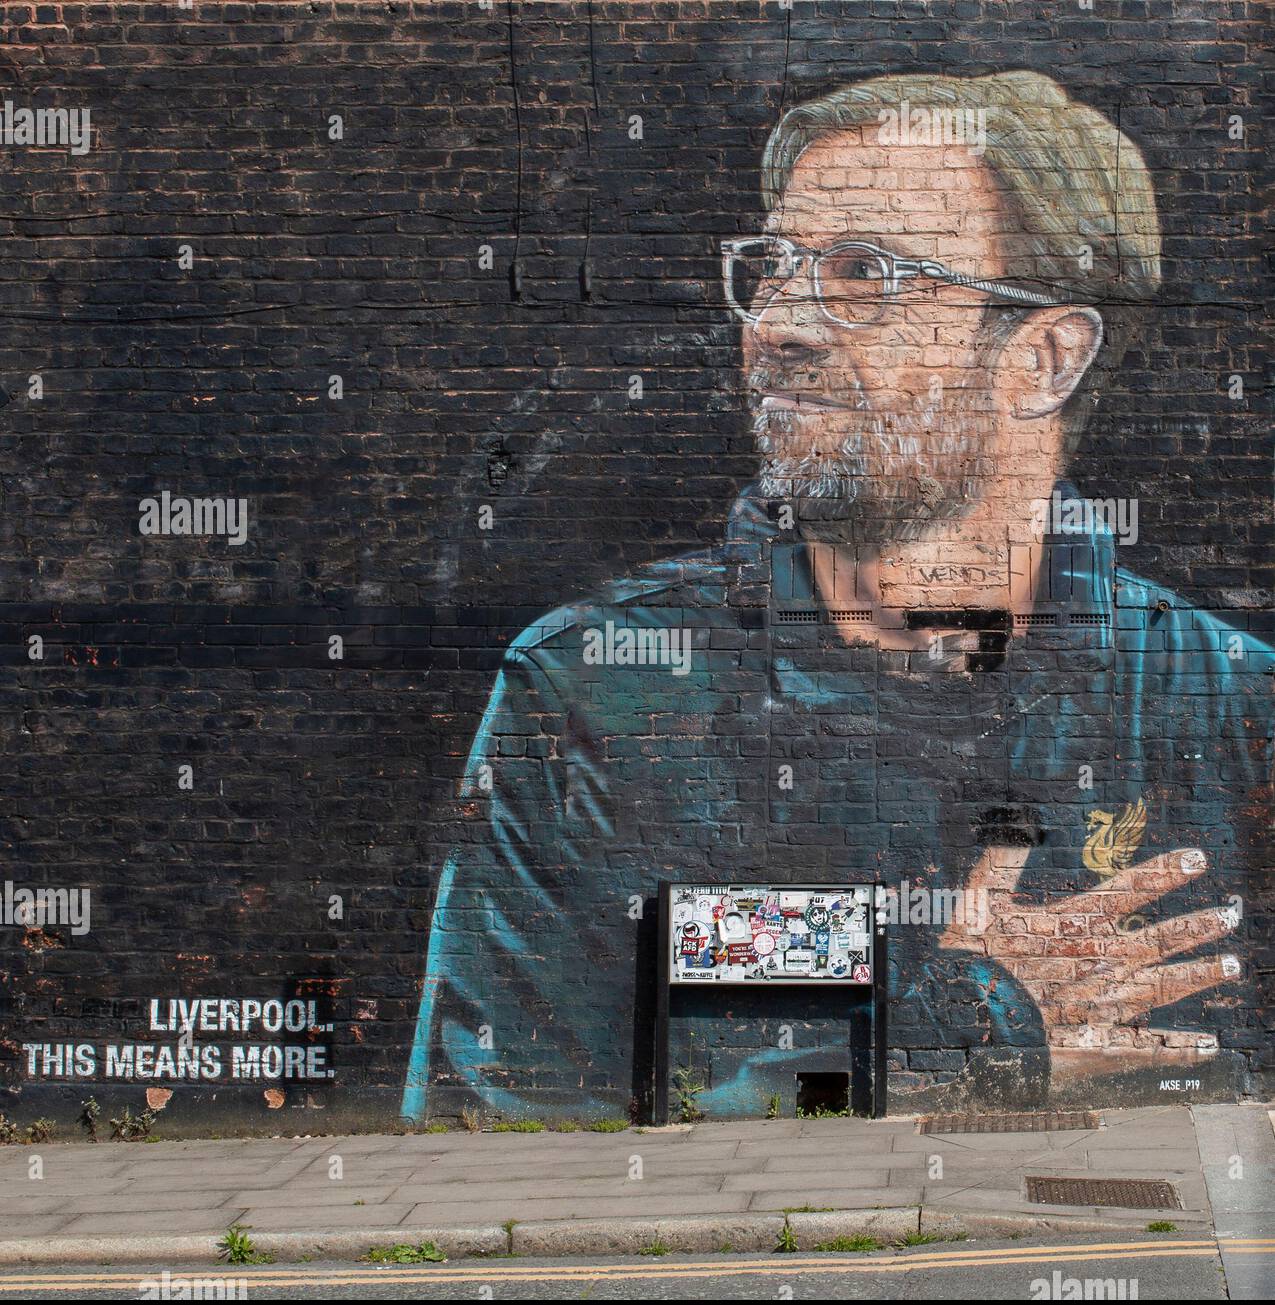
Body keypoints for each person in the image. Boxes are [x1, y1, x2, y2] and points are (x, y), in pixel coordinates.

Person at [404, 72, 1271, 1123]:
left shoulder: (1230, 711)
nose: (781, 322)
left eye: (866, 274)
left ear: (1045, 357)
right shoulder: (591, 696)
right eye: (777, 266)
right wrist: (968, 1044)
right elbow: (496, 1146)